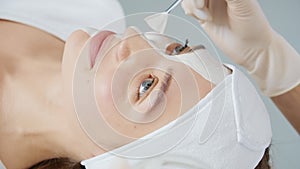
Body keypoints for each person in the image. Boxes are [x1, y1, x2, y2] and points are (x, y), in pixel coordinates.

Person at [0, 0, 298, 169]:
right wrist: (272, 61)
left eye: (146, 86)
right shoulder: (91, 7)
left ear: (113, 161)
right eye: (177, 49)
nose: (134, 37)